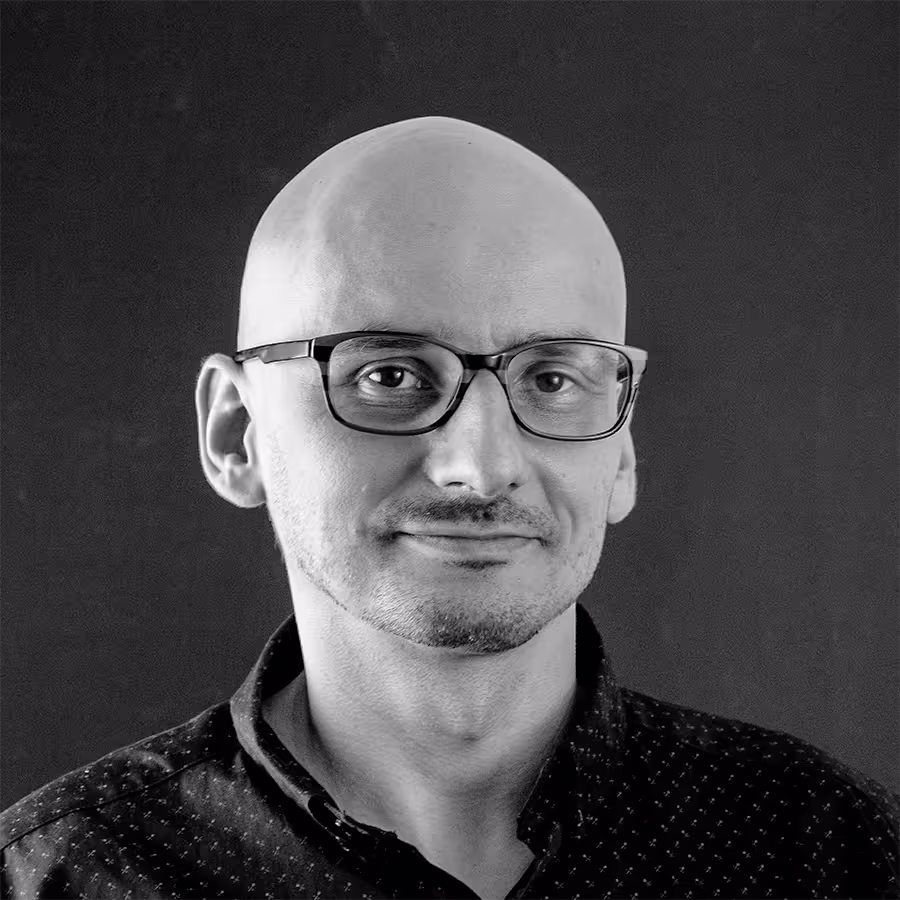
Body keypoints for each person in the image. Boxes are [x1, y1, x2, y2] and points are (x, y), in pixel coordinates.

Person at [1, 116, 897, 900]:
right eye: (389, 375)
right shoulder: (61, 878)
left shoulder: (838, 855)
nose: (481, 466)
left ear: (622, 448)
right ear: (237, 434)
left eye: (553, 379)